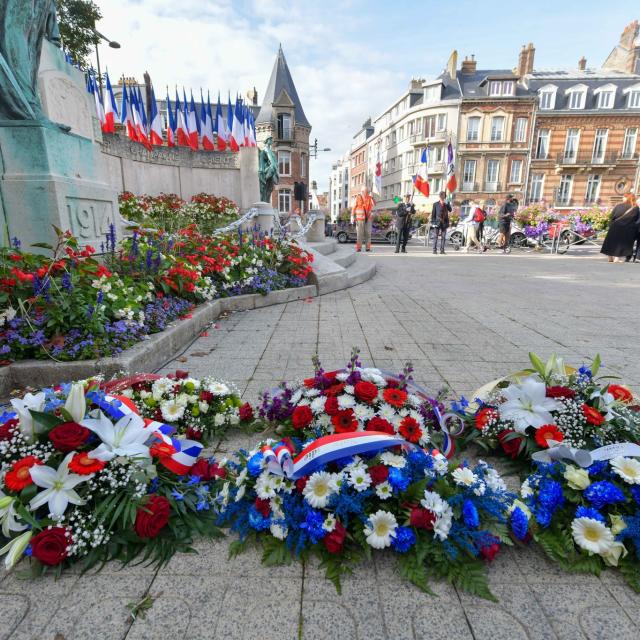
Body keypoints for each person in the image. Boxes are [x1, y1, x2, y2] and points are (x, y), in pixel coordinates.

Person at [601, 192, 640, 263]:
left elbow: (612, 216)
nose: (623, 198)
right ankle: (616, 258)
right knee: (621, 243)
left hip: (615, 226)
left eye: (624, 197)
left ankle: (610, 257)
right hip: (627, 228)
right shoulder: (635, 208)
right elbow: (636, 219)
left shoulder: (618, 206)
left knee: (612, 241)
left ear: (627, 198)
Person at [351, 186, 375, 252]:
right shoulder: (357, 198)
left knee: (368, 233)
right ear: (362, 191)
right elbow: (354, 207)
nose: (366, 193)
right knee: (359, 234)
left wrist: (372, 197)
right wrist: (352, 216)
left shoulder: (370, 198)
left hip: (368, 218)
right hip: (359, 219)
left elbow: (373, 206)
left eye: (367, 192)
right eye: (365, 191)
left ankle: (368, 248)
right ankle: (358, 248)